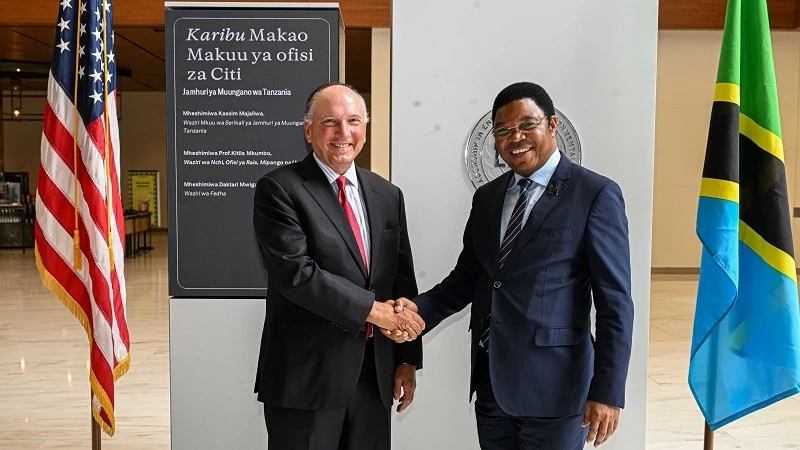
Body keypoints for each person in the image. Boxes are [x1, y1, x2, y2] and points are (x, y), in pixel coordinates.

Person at [387, 82, 634, 449]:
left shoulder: (595, 194)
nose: (515, 138)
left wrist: (609, 392)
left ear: (551, 125)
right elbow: (467, 279)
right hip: (492, 387)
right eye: (503, 130)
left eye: (526, 125)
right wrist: (414, 311)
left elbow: (616, 304)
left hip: (559, 393)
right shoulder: (487, 198)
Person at [253, 83, 425, 450]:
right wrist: (375, 312)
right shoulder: (279, 189)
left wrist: (407, 358)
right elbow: (296, 274)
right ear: (308, 129)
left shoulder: (387, 194)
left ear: (365, 127)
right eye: (330, 121)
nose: (343, 133)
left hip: (374, 378)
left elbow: (400, 277)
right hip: (306, 380)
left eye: (353, 121)